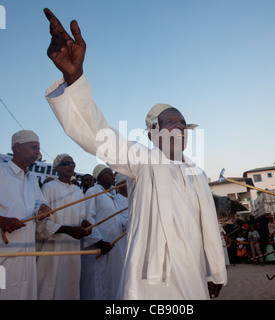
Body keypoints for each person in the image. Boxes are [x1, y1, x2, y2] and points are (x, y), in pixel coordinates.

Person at [43, 8, 227, 300]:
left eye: (183, 123)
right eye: (171, 122)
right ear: (154, 133)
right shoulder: (142, 160)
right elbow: (97, 135)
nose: (179, 126)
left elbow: (208, 225)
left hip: (192, 273)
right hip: (150, 279)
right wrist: (75, 77)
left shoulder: (198, 174)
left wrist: (216, 271)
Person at [0, 130, 51, 300]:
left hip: (27, 250)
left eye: (38, 148)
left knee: (24, 292)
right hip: (5, 248)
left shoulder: (32, 178)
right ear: (17, 148)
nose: (38, 152)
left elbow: (39, 203)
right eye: (33, 147)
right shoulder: (1, 172)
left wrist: (42, 210)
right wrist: (2, 220)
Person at [36, 154, 91, 300]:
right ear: (58, 168)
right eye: (67, 163)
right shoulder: (48, 188)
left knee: (69, 284)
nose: (71, 166)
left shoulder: (78, 192)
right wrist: (66, 230)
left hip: (72, 247)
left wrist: (84, 225)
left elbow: (81, 217)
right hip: (52, 246)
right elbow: (41, 222)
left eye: (73, 164)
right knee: (49, 284)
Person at [80, 164, 124, 300]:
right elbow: (87, 218)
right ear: (100, 176)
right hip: (98, 249)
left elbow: (118, 221)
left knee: (109, 285)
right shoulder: (93, 191)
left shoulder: (111, 197)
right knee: (95, 286)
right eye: (109, 174)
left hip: (110, 249)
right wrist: (98, 242)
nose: (112, 177)